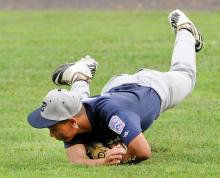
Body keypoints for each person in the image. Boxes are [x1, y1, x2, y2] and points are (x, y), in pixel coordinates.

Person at [27, 9, 203, 166]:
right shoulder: (73, 124)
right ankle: (79, 75)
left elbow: (143, 152)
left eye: (53, 128)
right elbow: (77, 160)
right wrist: (103, 161)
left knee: (185, 74)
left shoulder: (113, 115)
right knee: (77, 103)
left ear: (72, 123)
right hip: (114, 88)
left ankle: (185, 29)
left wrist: (119, 159)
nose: (51, 134)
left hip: (152, 86)